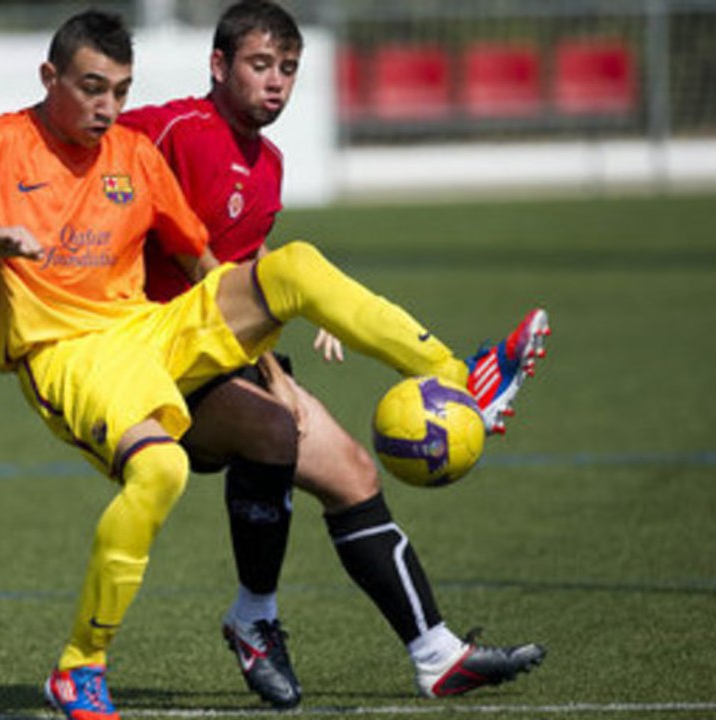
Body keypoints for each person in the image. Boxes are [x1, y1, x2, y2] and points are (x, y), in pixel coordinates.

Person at [0, 9, 544, 720]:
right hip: (67, 352)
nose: (106, 108)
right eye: (91, 87)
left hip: (147, 329)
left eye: (119, 91)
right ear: (50, 77)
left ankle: (450, 375)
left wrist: (274, 324)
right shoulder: (0, 144)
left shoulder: (134, 155)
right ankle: (81, 666)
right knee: (163, 467)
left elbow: (203, 262)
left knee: (298, 273)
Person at [119, 0, 549, 709]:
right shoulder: (171, 128)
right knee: (278, 409)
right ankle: (455, 376)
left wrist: (283, 322)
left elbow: (237, 270)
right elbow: (86, 138)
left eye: (288, 68)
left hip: (219, 357)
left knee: (350, 472)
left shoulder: (270, 164)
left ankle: (436, 655)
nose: (277, 83)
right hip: (149, 366)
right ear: (218, 65)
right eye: (260, 65)